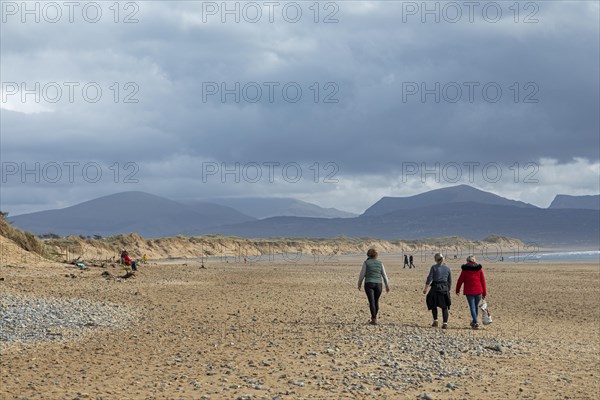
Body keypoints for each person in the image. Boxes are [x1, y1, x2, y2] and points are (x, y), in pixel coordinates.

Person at [357, 248, 390, 325]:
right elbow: (384, 275)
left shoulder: (366, 263)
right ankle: (374, 317)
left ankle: (374, 319)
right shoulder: (380, 263)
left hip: (369, 284)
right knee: (376, 301)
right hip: (378, 284)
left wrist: (359, 284)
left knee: (371, 301)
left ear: (368, 254)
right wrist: (387, 286)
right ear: (376, 255)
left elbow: (362, 275)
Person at [456, 255, 487, 329]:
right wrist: (484, 293)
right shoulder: (479, 269)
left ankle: (475, 322)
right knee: (475, 307)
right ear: (474, 261)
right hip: (479, 291)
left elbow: (460, 280)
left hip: (469, 291)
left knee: (472, 307)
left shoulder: (465, 270)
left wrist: (457, 290)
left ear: (467, 261)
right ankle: (474, 321)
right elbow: (483, 282)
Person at [422, 253, 452, 329]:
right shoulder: (447, 268)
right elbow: (449, 281)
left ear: (435, 259)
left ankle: (435, 320)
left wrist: (425, 288)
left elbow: (429, 278)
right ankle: (445, 323)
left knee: (433, 304)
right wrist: (448, 289)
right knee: (444, 307)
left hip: (435, 287)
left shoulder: (434, 267)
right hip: (444, 288)